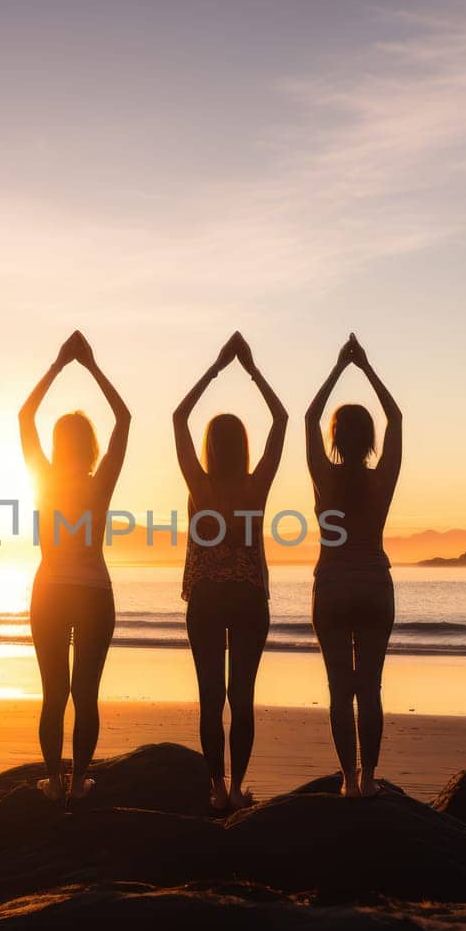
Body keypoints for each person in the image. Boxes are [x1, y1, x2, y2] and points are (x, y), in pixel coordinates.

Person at [173, 332, 287, 811]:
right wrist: (252, 370)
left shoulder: (199, 484)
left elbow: (179, 417)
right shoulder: (255, 486)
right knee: (241, 698)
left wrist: (217, 368)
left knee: (209, 698)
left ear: (209, 448)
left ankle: (216, 789)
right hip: (246, 598)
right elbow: (281, 419)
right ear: (241, 447)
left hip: (205, 598)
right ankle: (238, 789)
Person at [19, 331, 131, 801]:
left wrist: (59, 364)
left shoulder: (43, 477)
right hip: (92, 592)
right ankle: (80, 780)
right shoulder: (100, 482)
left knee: (54, 693)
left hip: (50, 591)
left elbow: (25, 416)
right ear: (89, 447)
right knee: (85, 693)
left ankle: (55, 782)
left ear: (57, 444)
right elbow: (123, 418)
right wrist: (91, 366)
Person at [304, 334, 402, 797]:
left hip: (333, 590)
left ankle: (347, 779)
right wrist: (365, 367)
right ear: (371, 441)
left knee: (340, 691)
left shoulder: (324, 477)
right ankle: (369, 780)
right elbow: (396, 417)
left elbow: (308, 417)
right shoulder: (381, 479)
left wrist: (339, 369)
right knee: (371, 690)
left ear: (335, 438)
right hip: (374, 589)